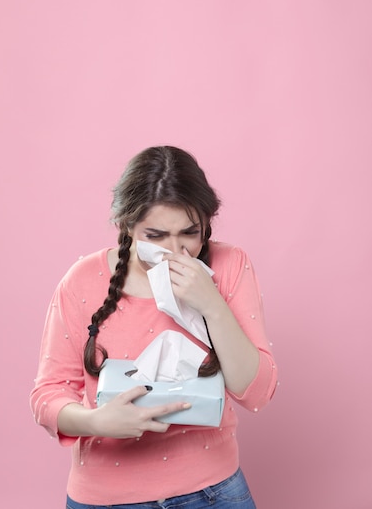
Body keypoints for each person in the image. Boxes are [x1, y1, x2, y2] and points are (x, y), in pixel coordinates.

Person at [30, 145, 278, 509]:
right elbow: (48, 395)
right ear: (126, 225)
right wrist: (98, 422)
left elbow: (255, 392)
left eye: (190, 233)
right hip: (106, 498)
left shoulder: (229, 265)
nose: (175, 252)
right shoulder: (82, 281)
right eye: (155, 235)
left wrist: (210, 303)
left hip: (213, 493)